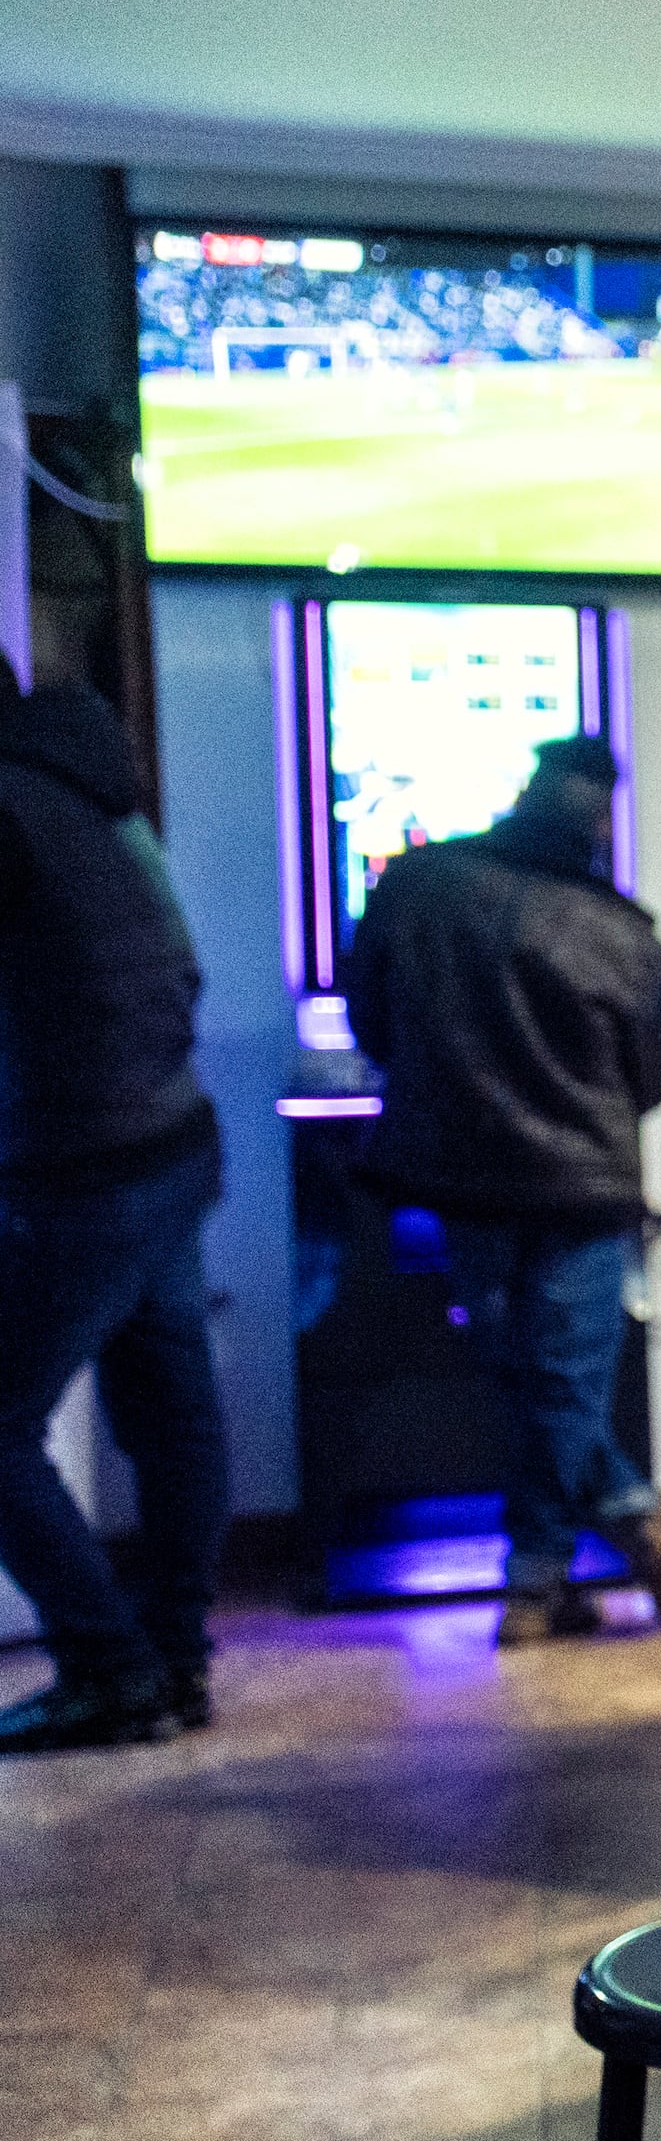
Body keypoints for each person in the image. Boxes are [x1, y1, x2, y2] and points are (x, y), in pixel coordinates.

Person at [342, 734, 661, 1639]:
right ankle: (537, 1578)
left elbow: (371, 1019)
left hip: (457, 1174)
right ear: (602, 814)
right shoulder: (620, 928)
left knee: (521, 1372)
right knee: (565, 1378)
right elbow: (651, 1079)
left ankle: (613, 1537)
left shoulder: (419, 884)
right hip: (583, 1184)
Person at [0, 677, 232, 1752]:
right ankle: (175, 1660)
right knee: (174, 1408)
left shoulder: (10, 802)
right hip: (170, 1137)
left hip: (80, 1163)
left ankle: (110, 1668)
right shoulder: (93, 790)